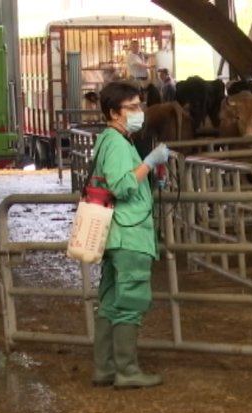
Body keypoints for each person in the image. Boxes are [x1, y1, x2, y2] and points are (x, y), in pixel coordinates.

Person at [90, 80, 169, 389]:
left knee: (110, 300)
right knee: (130, 301)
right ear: (113, 113)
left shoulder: (113, 140)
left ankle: (105, 368)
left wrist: (151, 177)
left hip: (117, 233)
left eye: (140, 106)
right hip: (130, 232)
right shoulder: (117, 142)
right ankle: (127, 370)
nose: (140, 112)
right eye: (132, 107)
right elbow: (122, 186)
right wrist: (149, 164)